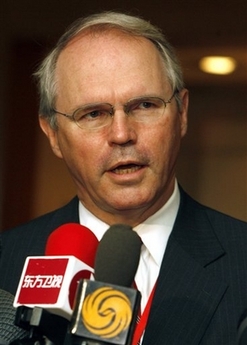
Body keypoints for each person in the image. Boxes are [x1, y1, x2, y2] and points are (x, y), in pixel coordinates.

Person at [0, 11, 246, 345]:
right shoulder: (5, 263)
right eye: (93, 114)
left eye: (145, 105)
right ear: (53, 135)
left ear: (182, 114)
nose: (121, 134)